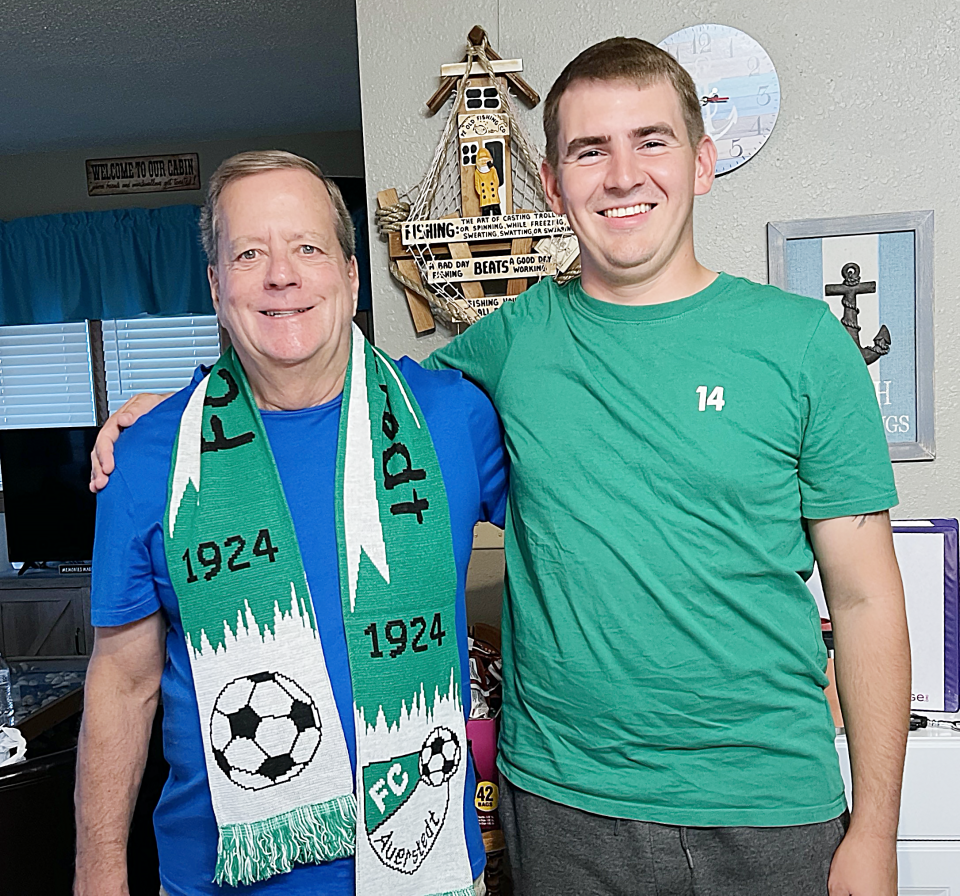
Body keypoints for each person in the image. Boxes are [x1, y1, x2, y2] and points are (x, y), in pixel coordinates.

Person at [91, 38, 910, 896]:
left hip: (771, 801)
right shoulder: (503, 353)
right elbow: (319, 369)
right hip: (565, 802)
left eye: (653, 141)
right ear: (553, 185)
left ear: (703, 162)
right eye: (590, 150)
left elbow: (865, 600)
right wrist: (184, 411)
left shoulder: (805, 345)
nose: (623, 175)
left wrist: (877, 832)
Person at [75, 150, 507, 896]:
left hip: (426, 863)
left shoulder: (454, 417)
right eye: (249, 253)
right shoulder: (147, 459)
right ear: (216, 285)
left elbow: (583, 519)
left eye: (308, 247)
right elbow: (123, 685)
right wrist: (98, 874)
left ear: (351, 273)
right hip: (215, 878)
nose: (282, 275)